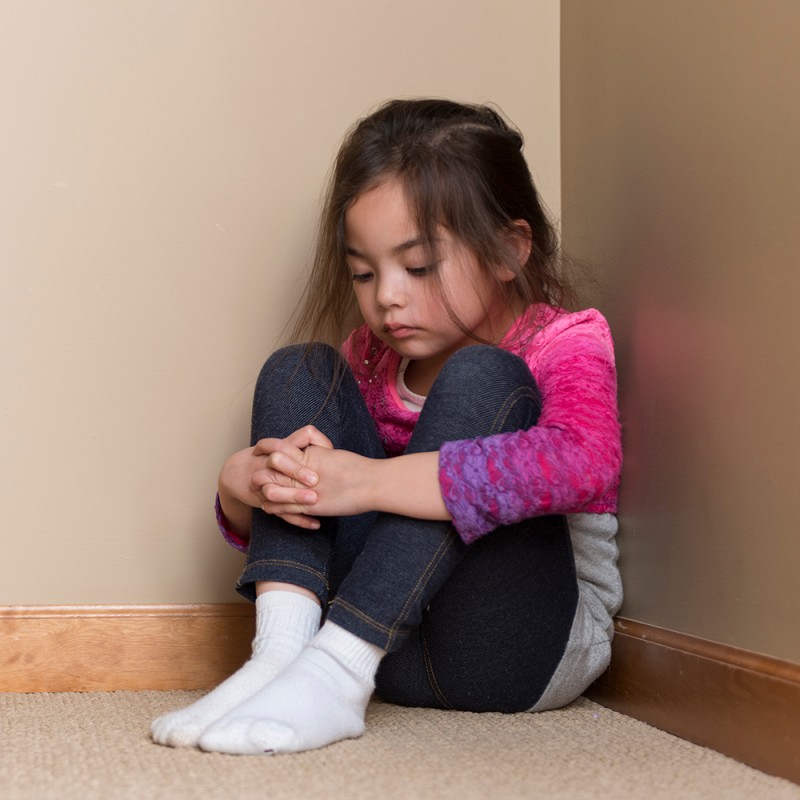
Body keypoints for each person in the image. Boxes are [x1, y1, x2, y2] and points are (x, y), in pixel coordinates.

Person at [151, 98, 622, 756]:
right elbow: (322, 498)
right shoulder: (370, 361)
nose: (387, 297)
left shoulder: (564, 343)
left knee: (482, 379)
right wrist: (240, 487)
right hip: (389, 653)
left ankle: (334, 669)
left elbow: (585, 462)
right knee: (298, 370)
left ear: (510, 249)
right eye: (364, 273)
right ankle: (284, 653)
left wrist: (370, 482)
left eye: (418, 267)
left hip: (517, 650)